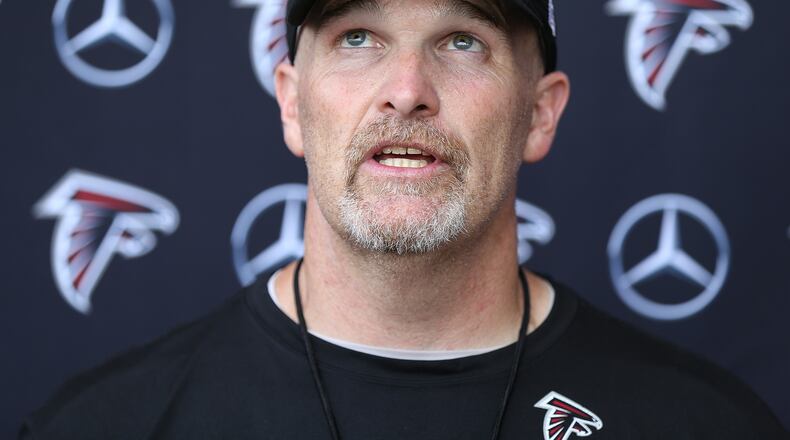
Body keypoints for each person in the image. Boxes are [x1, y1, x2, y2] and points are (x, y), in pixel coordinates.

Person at [21, 0, 788, 438]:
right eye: (358, 37)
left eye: (463, 41)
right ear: (292, 101)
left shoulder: (703, 426)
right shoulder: (106, 426)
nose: (406, 89)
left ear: (539, 114)